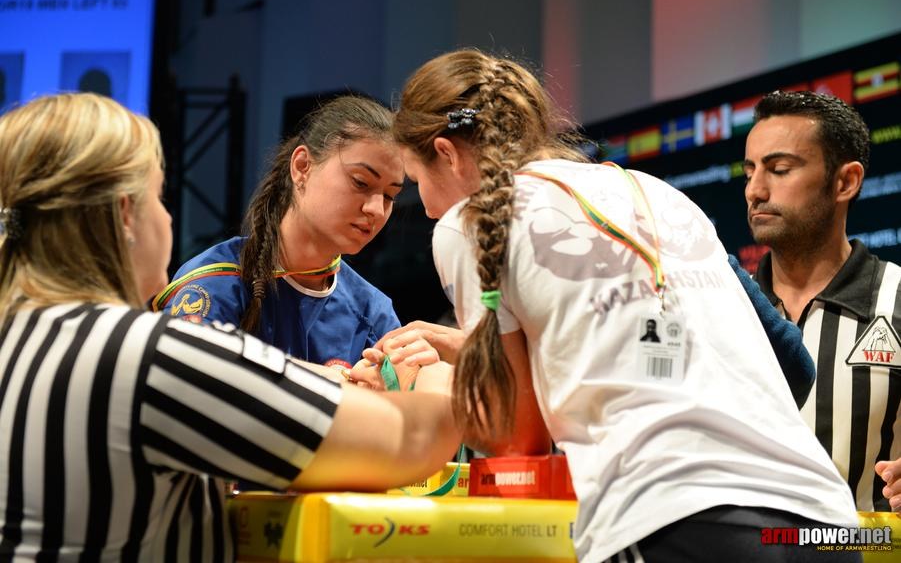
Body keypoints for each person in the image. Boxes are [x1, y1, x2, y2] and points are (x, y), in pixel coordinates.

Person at [390, 49, 859, 562]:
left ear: (447, 152)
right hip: (828, 522)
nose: (429, 207)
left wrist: (416, 390)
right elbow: (792, 361)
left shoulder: (467, 222)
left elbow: (515, 438)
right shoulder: (659, 194)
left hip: (681, 521)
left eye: (416, 182)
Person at [0, 93, 459, 560]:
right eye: (159, 196)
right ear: (124, 215)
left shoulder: (17, 338)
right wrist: (444, 378)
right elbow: (411, 440)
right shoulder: (149, 354)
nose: (169, 214)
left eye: (389, 195)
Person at [153, 96, 410, 370]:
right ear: (302, 167)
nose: (376, 210)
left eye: (390, 196)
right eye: (360, 182)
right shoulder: (215, 282)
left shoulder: (374, 313)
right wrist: (340, 386)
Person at [743, 90, 901, 512]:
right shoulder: (722, 305)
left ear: (845, 181)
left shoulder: (898, 299)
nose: (755, 190)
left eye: (778, 169)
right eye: (749, 171)